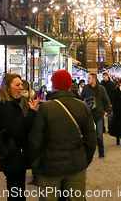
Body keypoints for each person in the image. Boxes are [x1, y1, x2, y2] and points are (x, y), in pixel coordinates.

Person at [29, 70, 96, 201]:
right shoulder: (83, 107)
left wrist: (37, 166)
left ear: (53, 85)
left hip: (50, 167)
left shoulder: (46, 108)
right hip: (76, 165)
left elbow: (35, 141)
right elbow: (91, 141)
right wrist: (83, 160)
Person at [0, 72, 39, 201]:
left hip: (12, 156)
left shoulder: (9, 104)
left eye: (21, 84)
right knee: (17, 194)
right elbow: (20, 131)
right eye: (17, 85)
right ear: (7, 87)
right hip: (13, 157)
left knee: (16, 192)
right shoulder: (7, 107)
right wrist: (32, 113)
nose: (21, 88)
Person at [80, 73, 110, 159]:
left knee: (99, 135)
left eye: (89, 78)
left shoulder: (101, 89)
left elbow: (106, 100)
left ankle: (101, 153)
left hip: (99, 114)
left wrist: (107, 111)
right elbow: (80, 98)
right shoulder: (86, 88)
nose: (88, 80)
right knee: (88, 134)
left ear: (94, 79)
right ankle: (88, 152)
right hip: (89, 114)